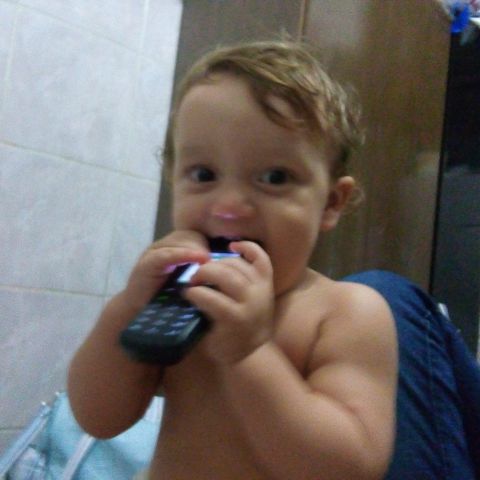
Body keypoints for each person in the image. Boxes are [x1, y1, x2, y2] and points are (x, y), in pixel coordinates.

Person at [67, 39, 420, 480]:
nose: (229, 206)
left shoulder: (347, 313)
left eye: (274, 177)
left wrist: (250, 353)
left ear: (331, 202)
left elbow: (350, 467)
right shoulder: (182, 300)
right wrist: (126, 310)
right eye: (204, 174)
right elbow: (98, 417)